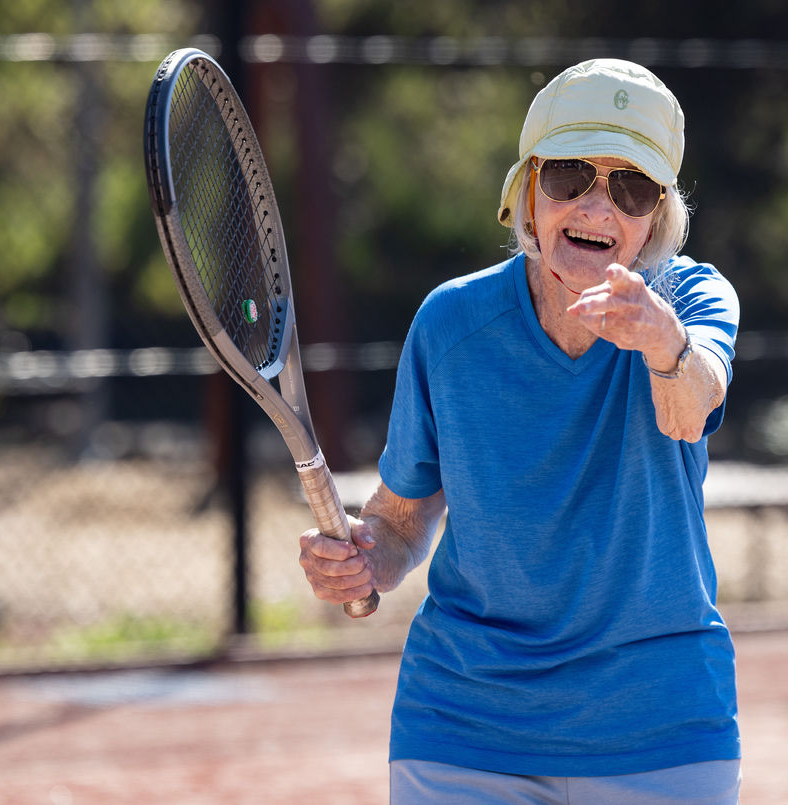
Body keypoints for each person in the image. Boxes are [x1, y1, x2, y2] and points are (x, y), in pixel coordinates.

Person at [299, 58, 741, 803]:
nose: (599, 207)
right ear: (528, 188)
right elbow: (404, 517)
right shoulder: (451, 322)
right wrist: (368, 558)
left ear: (656, 216)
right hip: (466, 723)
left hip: (660, 721)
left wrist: (663, 343)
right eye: (572, 174)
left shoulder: (692, 300)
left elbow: (689, 406)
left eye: (631, 187)